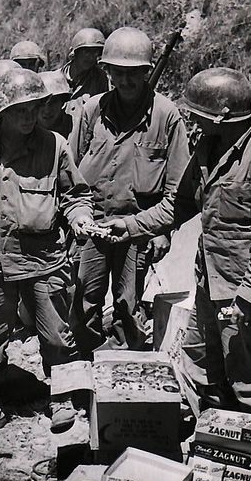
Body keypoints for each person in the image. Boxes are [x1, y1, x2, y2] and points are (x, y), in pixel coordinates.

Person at [105, 67, 251, 418]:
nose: (190, 118)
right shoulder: (208, 147)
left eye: (196, 113)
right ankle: (210, 447)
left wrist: (248, 300)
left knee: (249, 384)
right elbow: (178, 205)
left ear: (222, 115)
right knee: (203, 371)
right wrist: (131, 226)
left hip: (246, 298)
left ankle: (249, 457)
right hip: (211, 286)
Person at [0, 67, 96, 436]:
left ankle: (62, 397)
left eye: (35, 108)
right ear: (0, 112)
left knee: (57, 334)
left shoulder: (55, 146)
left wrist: (80, 217)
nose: (30, 117)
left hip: (43, 259)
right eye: (21, 111)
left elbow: (74, 195)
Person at [69, 26, 190, 353]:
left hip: (137, 229)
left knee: (129, 305)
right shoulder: (92, 110)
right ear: (107, 71)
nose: (124, 81)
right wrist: (76, 216)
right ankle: (87, 363)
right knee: (83, 300)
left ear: (146, 72)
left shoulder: (167, 117)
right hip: (93, 225)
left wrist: (163, 232)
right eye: (117, 73)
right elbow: (70, 173)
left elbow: (179, 189)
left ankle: (124, 368)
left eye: (133, 74)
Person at [63, 27, 107, 124]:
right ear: (74, 53)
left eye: (96, 52)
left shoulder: (100, 78)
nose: (91, 57)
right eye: (86, 51)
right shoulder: (57, 79)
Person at [37, 69, 73, 138]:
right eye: (42, 103)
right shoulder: (24, 132)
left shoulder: (74, 127)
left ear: (62, 102)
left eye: (53, 102)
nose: (47, 110)